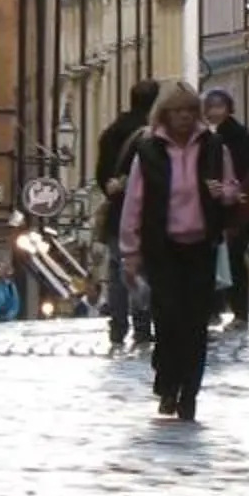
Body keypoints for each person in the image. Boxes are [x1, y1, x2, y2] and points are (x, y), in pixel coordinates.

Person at [118, 82, 245, 420]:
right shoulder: (149, 151)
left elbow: (234, 189)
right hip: (163, 248)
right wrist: (130, 252)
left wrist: (224, 194)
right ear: (166, 115)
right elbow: (134, 202)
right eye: (178, 112)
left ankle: (189, 393)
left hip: (201, 246)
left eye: (190, 111)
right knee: (169, 319)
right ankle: (167, 383)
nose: (185, 118)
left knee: (194, 325)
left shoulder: (214, 147)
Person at [94, 79, 161, 354]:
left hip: (117, 210)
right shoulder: (152, 136)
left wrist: (112, 189)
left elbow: (101, 174)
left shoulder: (112, 132)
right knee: (142, 268)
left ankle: (118, 329)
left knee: (116, 269)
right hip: (146, 213)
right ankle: (143, 327)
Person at [201, 89, 249, 334]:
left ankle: (237, 313)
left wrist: (239, 193)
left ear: (228, 109)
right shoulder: (218, 134)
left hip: (238, 209)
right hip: (227, 207)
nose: (214, 112)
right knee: (225, 260)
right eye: (210, 107)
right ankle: (220, 309)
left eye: (218, 107)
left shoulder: (234, 134)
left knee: (232, 260)